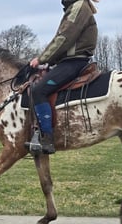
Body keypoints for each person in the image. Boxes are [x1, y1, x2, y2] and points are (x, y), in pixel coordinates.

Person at [29, 0, 99, 154]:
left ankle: (47, 138)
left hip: (74, 62)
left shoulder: (79, 6)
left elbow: (64, 38)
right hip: (70, 61)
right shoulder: (77, 7)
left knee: (39, 91)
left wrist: (41, 59)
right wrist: (49, 62)